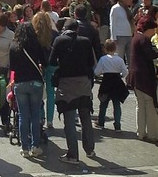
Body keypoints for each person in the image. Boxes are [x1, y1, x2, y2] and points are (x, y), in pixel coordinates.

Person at [49, 18, 95, 164]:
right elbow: (91, 62)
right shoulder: (85, 41)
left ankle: (73, 155)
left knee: (69, 120)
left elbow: (52, 61)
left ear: (64, 28)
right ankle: (90, 149)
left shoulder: (59, 41)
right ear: (77, 29)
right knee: (85, 116)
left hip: (66, 83)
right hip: (83, 82)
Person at [9, 21, 46, 158]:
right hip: (35, 81)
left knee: (23, 116)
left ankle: (24, 147)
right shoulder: (36, 44)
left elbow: (12, 67)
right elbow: (44, 62)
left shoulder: (14, 46)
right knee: (35, 114)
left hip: (20, 82)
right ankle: (35, 146)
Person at [128, 16, 158, 142]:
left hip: (135, 76)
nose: (154, 32)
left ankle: (140, 132)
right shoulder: (144, 39)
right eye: (153, 29)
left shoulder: (135, 37)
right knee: (150, 106)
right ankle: (153, 134)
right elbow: (150, 55)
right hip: (145, 77)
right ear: (148, 28)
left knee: (140, 105)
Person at [31, 11, 58, 130]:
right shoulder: (54, 34)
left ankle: (41, 116)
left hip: (39, 66)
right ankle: (50, 120)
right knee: (51, 93)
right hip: (53, 65)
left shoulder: (34, 35)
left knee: (39, 92)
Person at [94, 39, 129, 131]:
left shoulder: (103, 59)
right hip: (117, 82)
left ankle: (101, 122)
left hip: (106, 82)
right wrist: (120, 75)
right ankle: (117, 125)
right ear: (115, 48)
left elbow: (97, 72)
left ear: (105, 49)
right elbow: (125, 72)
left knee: (103, 103)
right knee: (117, 104)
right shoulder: (120, 60)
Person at [109, 0, 136, 65]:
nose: (131, 0)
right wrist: (113, 38)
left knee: (131, 58)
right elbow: (112, 23)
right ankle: (118, 74)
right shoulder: (115, 8)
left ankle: (130, 75)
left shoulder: (128, 9)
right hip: (119, 37)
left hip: (129, 35)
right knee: (119, 57)